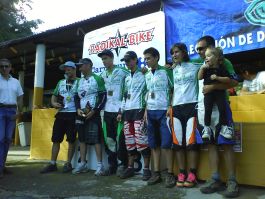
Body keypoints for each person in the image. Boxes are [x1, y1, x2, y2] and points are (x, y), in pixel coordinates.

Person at [193, 36, 239, 198]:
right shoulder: (201, 64)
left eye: (202, 48)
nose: (199, 52)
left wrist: (213, 86)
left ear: (212, 47)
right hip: (205, 109)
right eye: (197, 49)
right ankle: (215, 179)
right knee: (211, 144)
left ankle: (232, 181)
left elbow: (234, 82)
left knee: (226, 143)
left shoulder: (223, 62)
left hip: (221, 108)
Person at [169, 43, 200, 188]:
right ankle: (181, 172)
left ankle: (192, 173)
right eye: (172, 53)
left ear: (184, 52)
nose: (174, 55)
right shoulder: (172, 69)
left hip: (192, 106)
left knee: (191, 142)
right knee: (177, 143)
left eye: (177, 52)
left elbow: (211, 60)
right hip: (176, 108)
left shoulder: (195, 64)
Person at [144, 47, 175, 188]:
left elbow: (174, 88)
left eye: (149, 58)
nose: (146, 61)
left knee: (166, 144)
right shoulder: (147, 75)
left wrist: (171, 105)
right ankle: (156, 173)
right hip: (150, 111)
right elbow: (147, 93)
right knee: (153, 144)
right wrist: (145, 110)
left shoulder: (166, 71)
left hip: (164, 111)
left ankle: (169, 173)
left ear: (156, 57)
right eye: (145, 59)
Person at [118, 51, 151, 180]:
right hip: (128, 113)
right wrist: (121, 111)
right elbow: (124, 97)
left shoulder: (144, 73)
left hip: (139, 110)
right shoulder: (126, 78)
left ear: (135, 60)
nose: (127, 63)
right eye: (125, 61)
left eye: (129, 60)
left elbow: (151, 88)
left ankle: (147, 169)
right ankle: (130, 168)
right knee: (129, 142)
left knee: (142, 140)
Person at [40, 61, 78, 174]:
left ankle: (68, 163)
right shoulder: (61, 82)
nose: (66, 71)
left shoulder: (80, 82)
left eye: (69, 69)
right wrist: (53, 103)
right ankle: (52, 163)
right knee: (56, 139)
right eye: (65, 70)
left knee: (71, 140)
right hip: (61, 114)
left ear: (74, 69)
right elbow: (54, 96)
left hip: (73, 114)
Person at [72, 58, 107, 176]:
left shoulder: (98, 78)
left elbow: (103, 97)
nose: (80, 68)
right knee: (82, 139)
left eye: (81, 66)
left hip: (94, 114)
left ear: (88, 66)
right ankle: (83, 163)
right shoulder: (79, 81)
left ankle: (100, 165)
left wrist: (95, 110)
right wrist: (77, 108)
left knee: (96, 139)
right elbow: (76, 97)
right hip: (81, 113)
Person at [98, 49, 129, 175]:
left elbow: (135, 75)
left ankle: (123, 164)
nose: (104, 61)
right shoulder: (102, 76)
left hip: (119, 110)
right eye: (102, 59)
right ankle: (112, 165)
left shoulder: (123, 72)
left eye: (106, 58)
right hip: (106, 111)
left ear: (112, 58)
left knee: (120, 138)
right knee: (109, 139)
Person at [198, 47, 232, 140]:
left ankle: (224, 127)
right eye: (206, 56)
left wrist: (217, 78)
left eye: (208, 56)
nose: (206, 58)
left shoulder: (222, 68)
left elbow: (228, 79)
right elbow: (199, 77)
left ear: (217, 57)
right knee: (207, 110)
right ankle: (207, 128)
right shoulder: (206, 68)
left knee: (222, 108)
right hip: (208, 94)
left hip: (219, 93)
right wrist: (202, 68)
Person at [0, 58, 23, 178]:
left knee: (8, 139)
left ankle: (2, 166)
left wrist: (20, 112)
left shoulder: (16, 82)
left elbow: (20, 97)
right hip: (0, 110)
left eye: (6, 66)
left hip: (12, 111)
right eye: (2, 66)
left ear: (10, 67)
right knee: (0, 139)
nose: (4, 68)